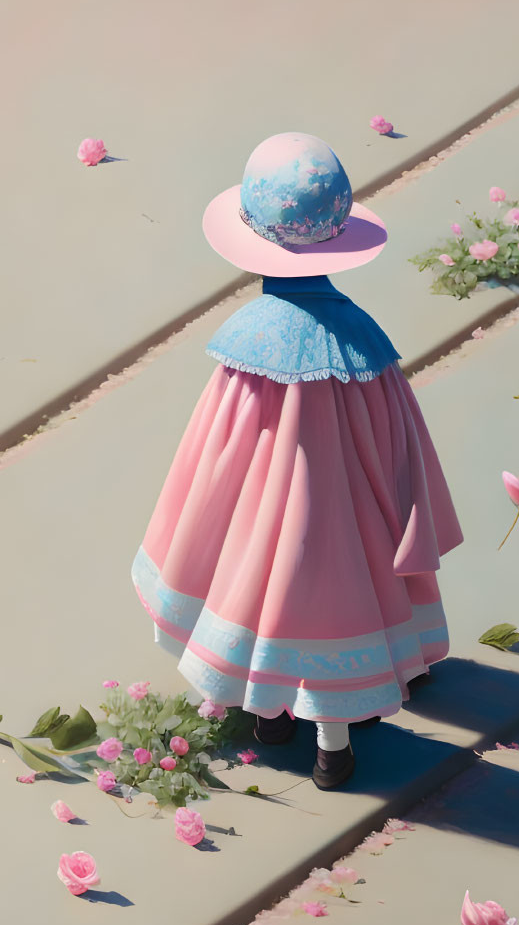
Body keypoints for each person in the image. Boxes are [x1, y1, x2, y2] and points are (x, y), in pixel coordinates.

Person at [132, 132, 462, 789]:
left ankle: (273, 719)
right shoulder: (365, 344)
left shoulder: (249, 344)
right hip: (351, 522)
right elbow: (401, 444)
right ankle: (332, 750)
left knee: (261, 591)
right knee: (340, 606)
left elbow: (216, 452)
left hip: (261, 519)